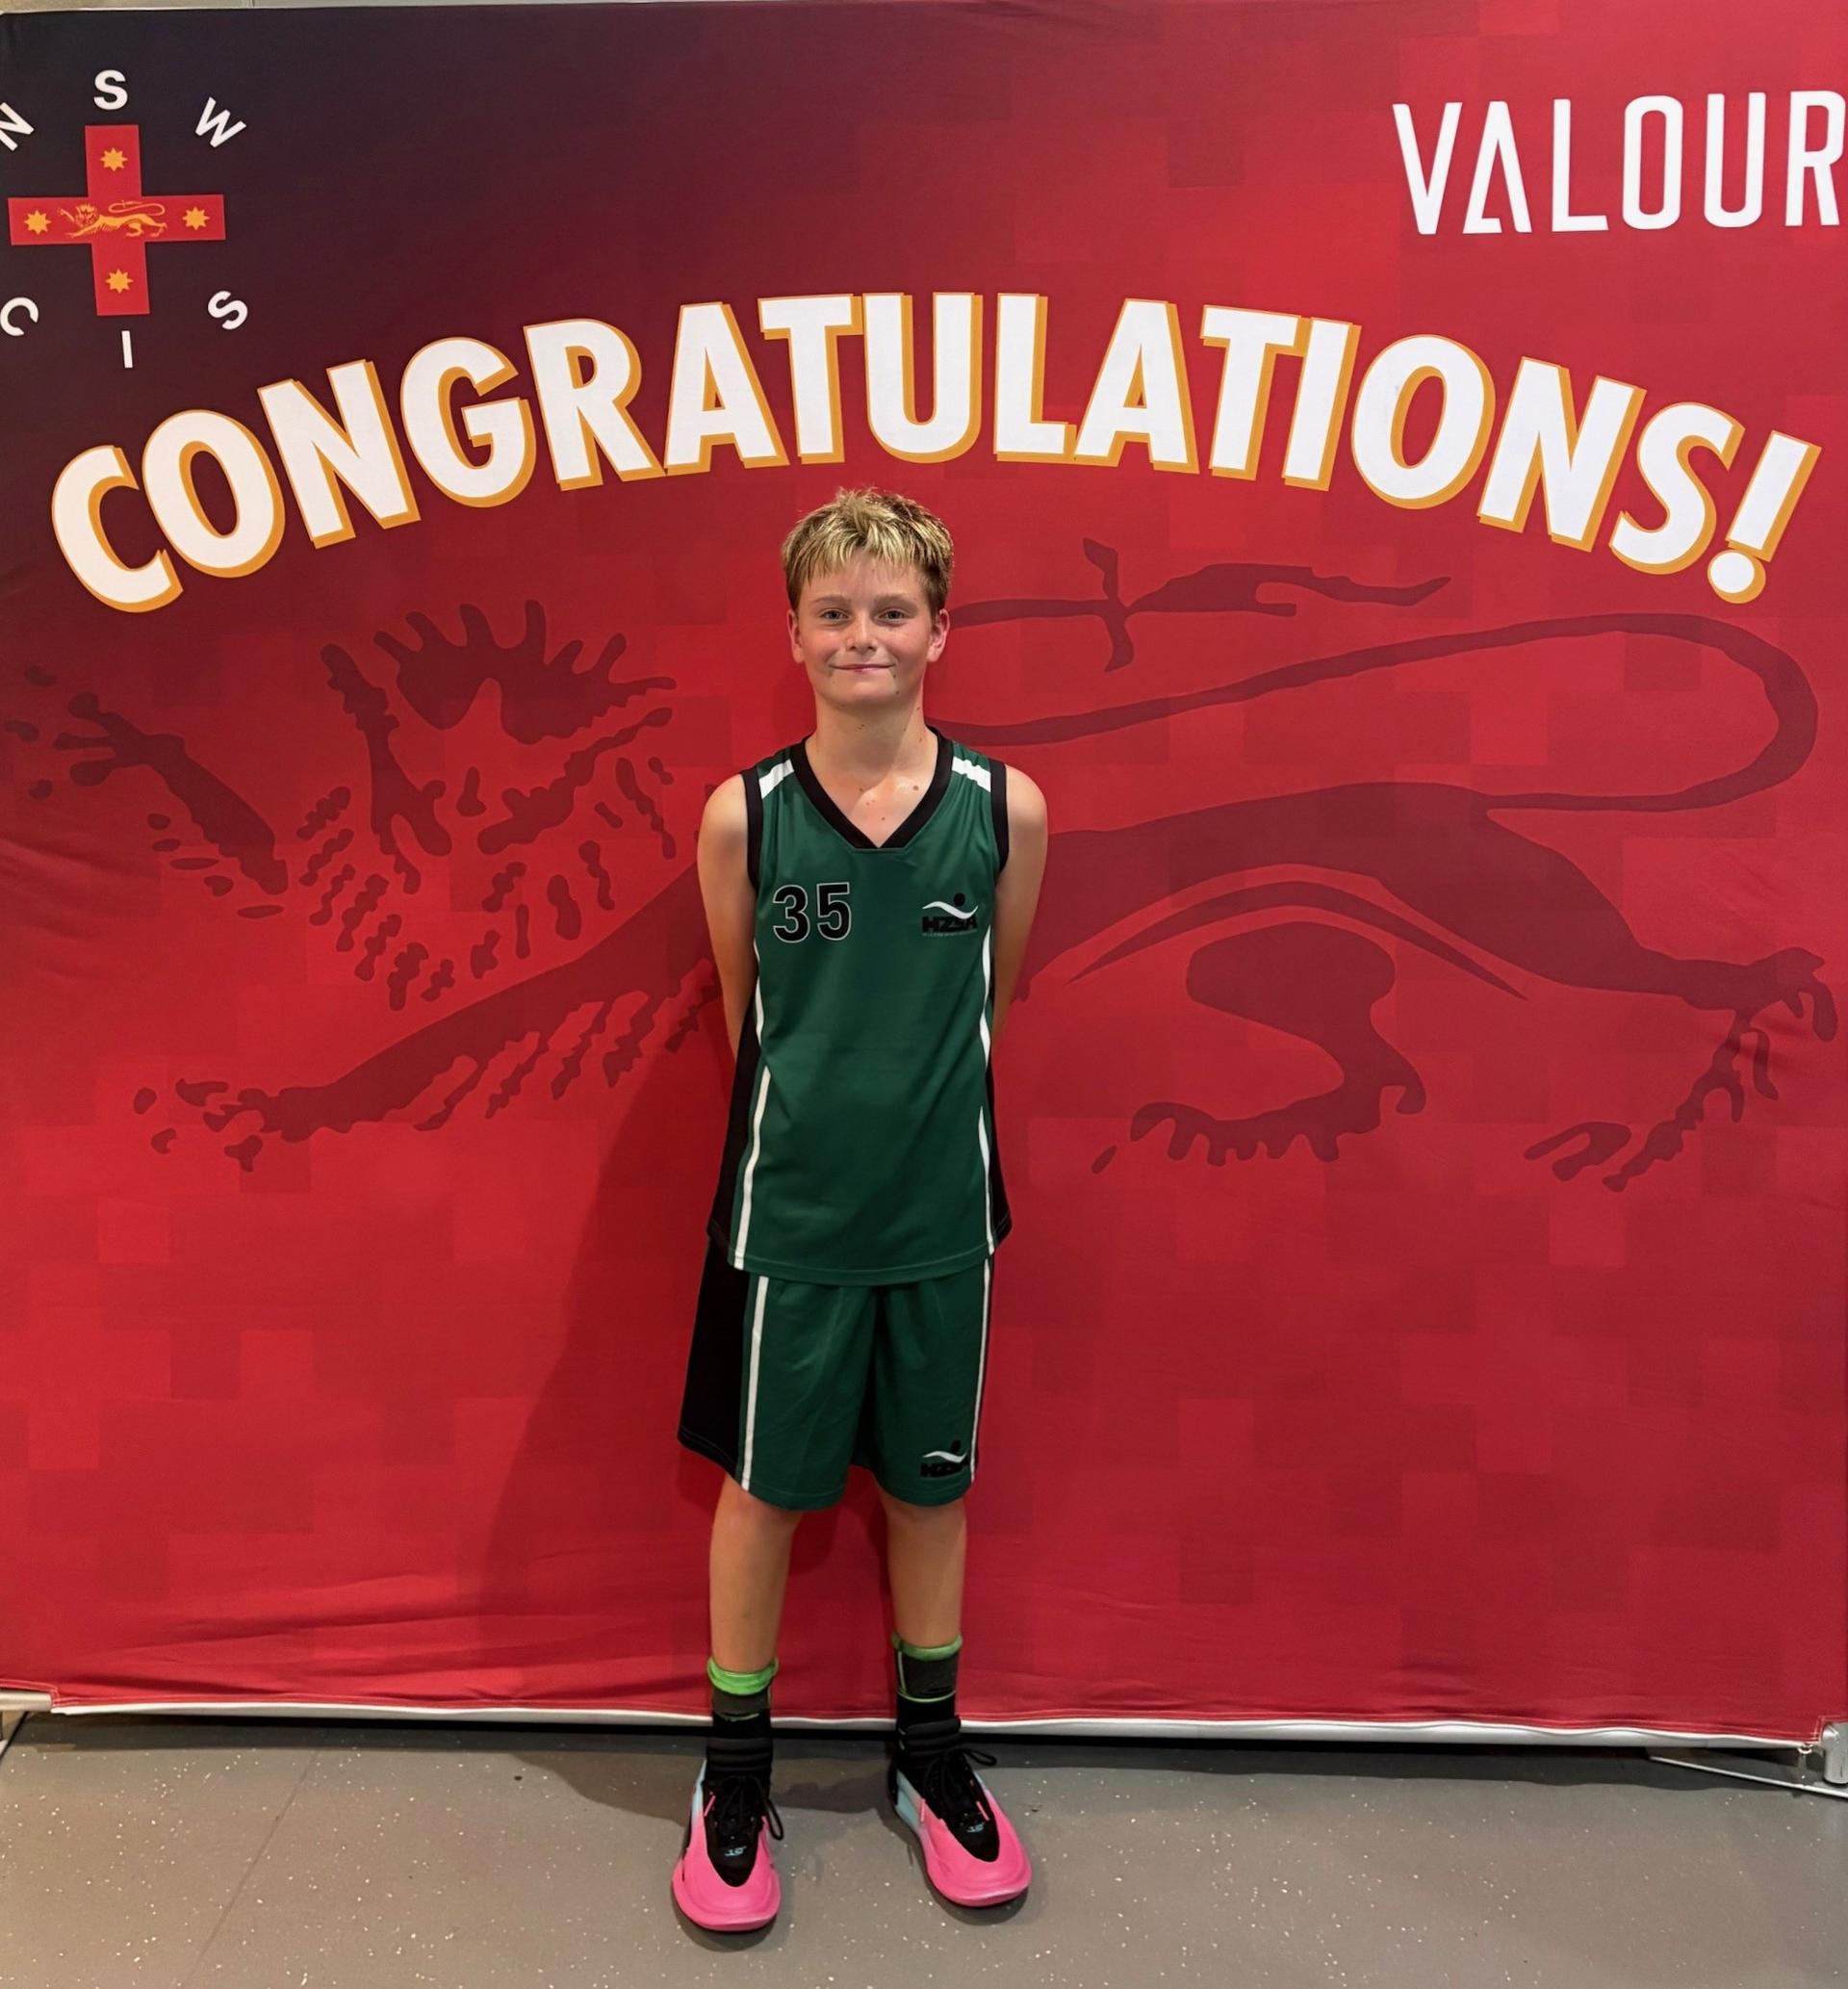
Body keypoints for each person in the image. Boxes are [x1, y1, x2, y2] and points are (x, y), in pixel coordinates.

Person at [671, 487, 1049, 1933]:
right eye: (834, 612)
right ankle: (734, 1774)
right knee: (766, 1493)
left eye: (892, 610)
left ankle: (930, 1754)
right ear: (794, 634)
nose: (863, 635)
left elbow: (995, 1000)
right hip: (792, 1228)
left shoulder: (1005, 810)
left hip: (944, 1217)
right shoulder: (746, 816)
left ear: (940, 630)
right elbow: (750, 1021)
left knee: (931, 1490)